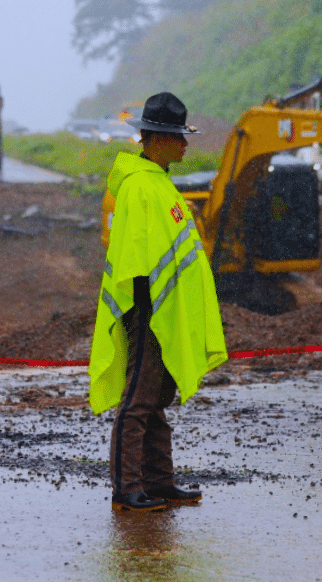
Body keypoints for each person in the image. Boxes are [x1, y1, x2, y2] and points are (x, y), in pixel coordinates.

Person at [89, 92, 228, 512]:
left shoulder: (158, 181)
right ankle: (126, 488)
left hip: (162, 308)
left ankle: (160, 482)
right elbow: (136, 256)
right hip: (149, 308)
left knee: (155, 401)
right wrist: (148, 312)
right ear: (159, 139)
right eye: (179, 137)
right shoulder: (140, 186)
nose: (186, 145)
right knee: (137, 400)